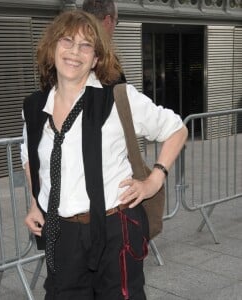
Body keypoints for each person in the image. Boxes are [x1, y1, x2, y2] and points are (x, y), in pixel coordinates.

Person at [21, 10, 188, 300]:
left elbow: (176, 129)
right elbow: (29, 157)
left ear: (96, 58)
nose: (75, 51)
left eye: (86, 46)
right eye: (67, 41)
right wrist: (35, 202)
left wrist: (155, 180)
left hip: (116, 230)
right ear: (52, 48)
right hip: (62, 233)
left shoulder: (117, 98)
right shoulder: (34, 108)